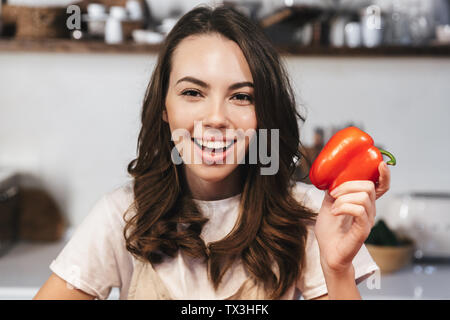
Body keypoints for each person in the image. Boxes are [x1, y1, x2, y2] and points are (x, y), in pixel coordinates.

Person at [34, 5, 390, 300]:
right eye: (192, 93)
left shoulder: (309, 215)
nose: (216, 118)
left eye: (241, 96)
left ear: (263, 111)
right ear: (164, 106)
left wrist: (337, 268)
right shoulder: (121, 215)